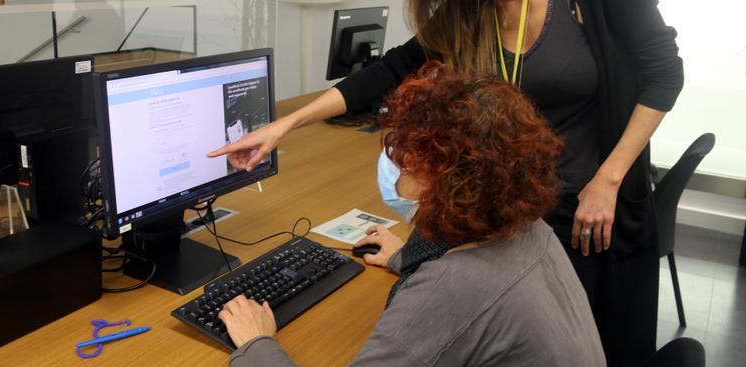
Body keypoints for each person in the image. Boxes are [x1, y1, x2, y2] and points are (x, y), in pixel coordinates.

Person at [210, 0, 683, 364]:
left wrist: (609, 179)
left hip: (593, 212)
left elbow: (665, 74)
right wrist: (286, 123)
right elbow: (390, 69)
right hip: (516, 214)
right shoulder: (469, 9)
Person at [219, 64, 605, 366]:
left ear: (444, 180)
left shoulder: (451, 290)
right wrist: (409, 256)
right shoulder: (528, 227)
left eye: (406, 161)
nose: (395, 168)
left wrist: (256, 344)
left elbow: (462, 297)